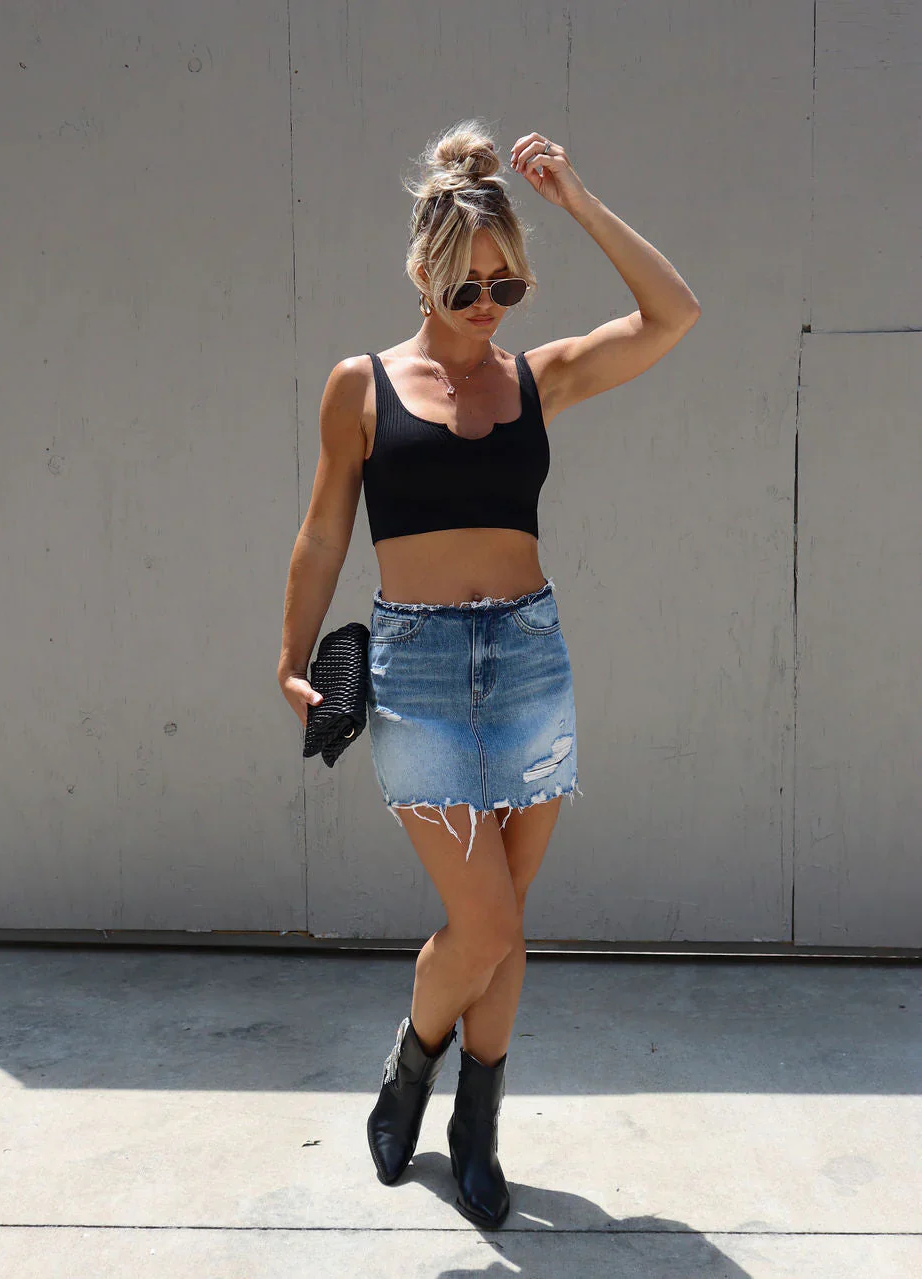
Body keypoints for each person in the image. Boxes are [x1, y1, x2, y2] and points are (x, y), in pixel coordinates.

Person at [277, 118, 700, 1229]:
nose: (489, 307)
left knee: (508, 919)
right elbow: (323, 533)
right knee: (486, 924)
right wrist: (290, 655)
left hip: (528, 664)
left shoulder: (536, 379)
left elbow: (673, 314)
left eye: (508, 286)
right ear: (422, 274)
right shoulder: (360, 387)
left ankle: (476, 1121)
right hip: (414, 675)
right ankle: (412, 1063)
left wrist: (577, 201)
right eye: (468, 287)